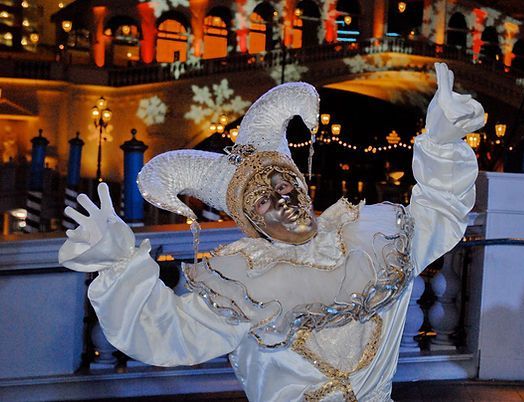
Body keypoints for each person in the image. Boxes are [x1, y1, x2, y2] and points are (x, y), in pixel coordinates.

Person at [59, 63, 484, 402]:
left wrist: (443, 142)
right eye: (264, 199)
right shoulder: (243, 284)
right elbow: (167, 332)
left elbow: (442, 211)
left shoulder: (375, 240)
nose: (284, 200)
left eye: (285, 185)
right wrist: (118, 264)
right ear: (252, 222)